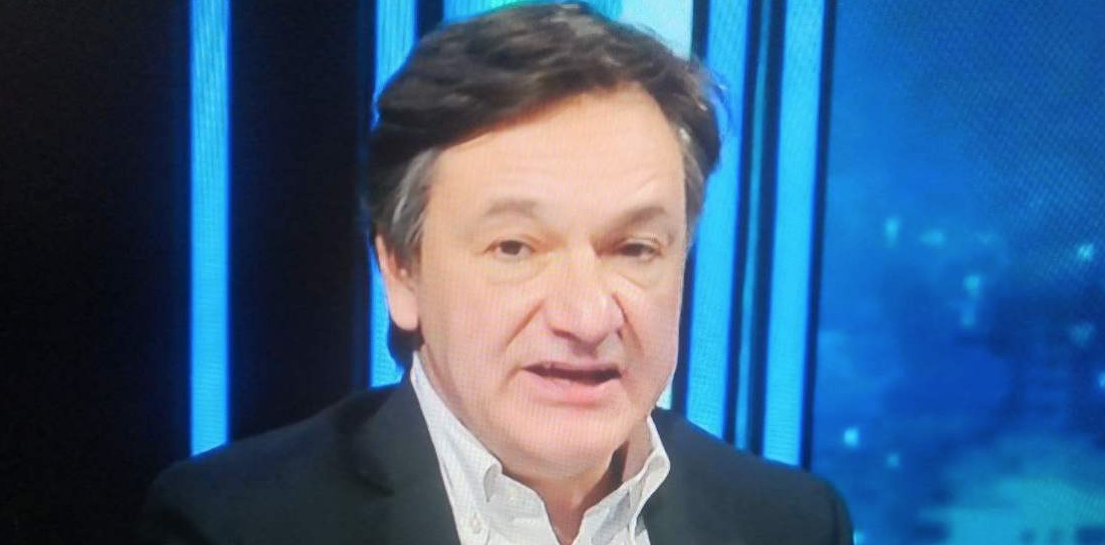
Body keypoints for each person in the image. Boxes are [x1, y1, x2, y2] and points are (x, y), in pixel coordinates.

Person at [139, 3, 852, 544]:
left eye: (635, 248)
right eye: (515, 247)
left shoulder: (790, 522)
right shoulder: (230, 525)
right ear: (401, 270)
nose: (586, 317)